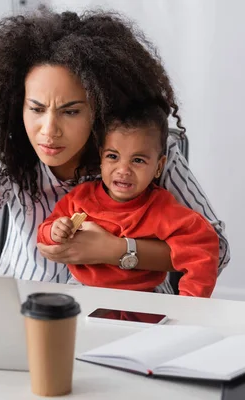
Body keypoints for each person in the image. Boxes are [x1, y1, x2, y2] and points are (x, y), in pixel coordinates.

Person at [0, 7, 230, 294]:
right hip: (28, 307)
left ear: (102, 108)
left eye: (71, 112)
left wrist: (117, 250)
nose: (49, 130)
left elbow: (216, 248)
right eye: (36, 109)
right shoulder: (5, 153)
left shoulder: (143, 152)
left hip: (133, 314)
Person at [37, 103, 218, 297]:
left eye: (138, 160)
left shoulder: (163, 208)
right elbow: (45, 232)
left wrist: (189, 304)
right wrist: (55, 231)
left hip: (146, 293)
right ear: (101, 158)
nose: (123, 170)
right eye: (113, 156)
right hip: (83, 289)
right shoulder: (80, 198)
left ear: (159, 166)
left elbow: (202, 249)